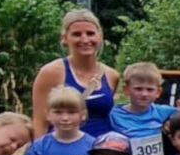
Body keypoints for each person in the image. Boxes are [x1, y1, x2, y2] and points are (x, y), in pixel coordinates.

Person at [30, 8, 118, 139]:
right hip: (63, 146)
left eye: (90, 33)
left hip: (102, 147)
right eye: (77, 34)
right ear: (65, 38)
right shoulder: (51, 73)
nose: (85, 39)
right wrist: (39, 149)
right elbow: (40, 122)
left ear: (100, 36)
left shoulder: (111, 75)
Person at [108, 63, 177, 155]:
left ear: (158, 92)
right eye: (138, 89)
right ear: (126, 90)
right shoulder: (113, 115)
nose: (144, 94)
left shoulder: (163, 112)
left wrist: (172, 121)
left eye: (150, 89)